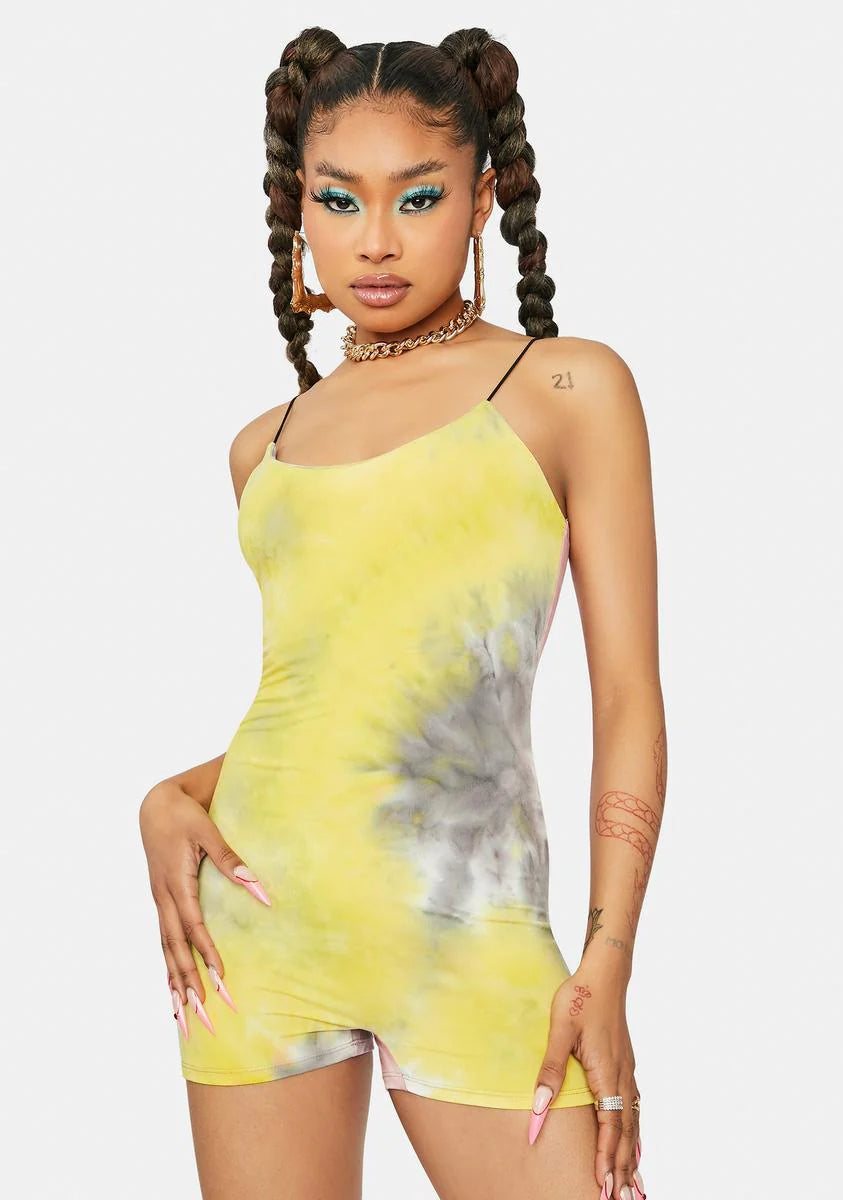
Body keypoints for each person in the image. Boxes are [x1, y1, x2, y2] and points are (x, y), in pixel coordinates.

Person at [139, 26, 663, 1200]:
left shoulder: (564, 389)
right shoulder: (264, 448)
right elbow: (344, 706)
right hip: (259, 932)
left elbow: (629, 696)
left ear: (480, 200)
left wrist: (610, 957)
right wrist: (174, 797)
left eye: (416, 197)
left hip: (471, 935)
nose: (375, 239)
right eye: (340, 199)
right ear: (299, 210)